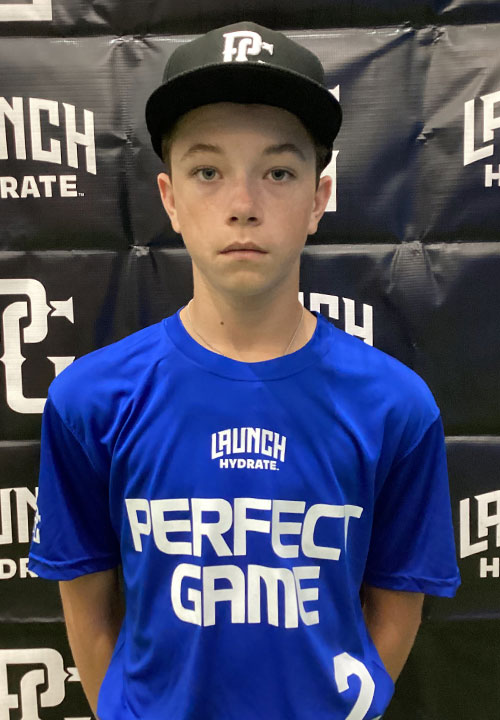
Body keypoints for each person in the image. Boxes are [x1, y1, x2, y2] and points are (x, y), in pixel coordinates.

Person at [28, 20, 460, 720]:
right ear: (170, 198)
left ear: (317, 200)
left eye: (278, 173)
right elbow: (87, 608)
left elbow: (397, 602)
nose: (243, 206)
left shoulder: (394, 406)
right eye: (208, 172)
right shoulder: (91, 400)